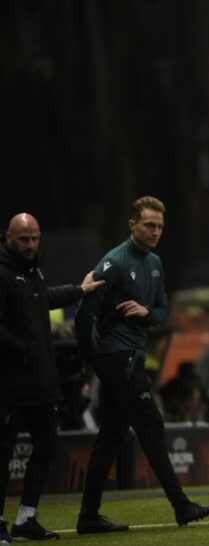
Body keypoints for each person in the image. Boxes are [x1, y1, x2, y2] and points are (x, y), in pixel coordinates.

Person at [74, 196, 209, 535]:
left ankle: (88, 516)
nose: (155, 232)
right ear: (132, 225)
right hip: (117, 357)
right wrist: (89, 358)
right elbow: (84, 313)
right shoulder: (114, 262)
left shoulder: (154, 263)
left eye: (160, 227)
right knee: (151, 426)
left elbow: (164, 313)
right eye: (149, 225)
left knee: (110, 436)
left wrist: (146, 311)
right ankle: (181, 506)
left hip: (132, 356)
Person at [0, 213, 104, 542]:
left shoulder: (32, 271)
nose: (30, 244)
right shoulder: (3, 272)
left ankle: (26, 518)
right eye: (23, 239)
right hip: (9, 382)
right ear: (8, 238)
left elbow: (43, 299)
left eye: (34, 238)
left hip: (42, 380)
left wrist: (80, 290)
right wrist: (24, 349)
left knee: (47, 446)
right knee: (3, 452)